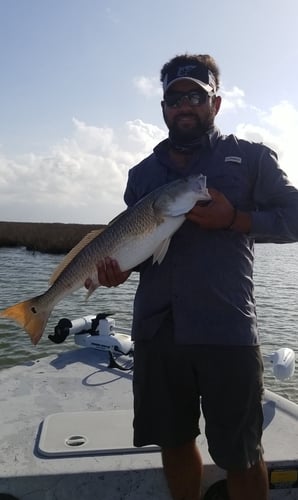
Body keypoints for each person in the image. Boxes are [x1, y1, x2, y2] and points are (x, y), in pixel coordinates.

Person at [88, 54, 298, 500]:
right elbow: (141, 253)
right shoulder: (141, 175)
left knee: (241, 453)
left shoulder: (253, 158)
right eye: (174, 97)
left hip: (227, 328)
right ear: (163, 107)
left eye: (195, 96)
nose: (185, 105)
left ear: (215, 103)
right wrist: (116, 272)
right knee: (174, 442)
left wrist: (236, 217)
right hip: (158, 330)